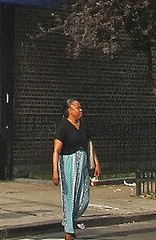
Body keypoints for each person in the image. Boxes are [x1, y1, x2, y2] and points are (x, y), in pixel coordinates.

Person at [54, 97, 100, 239]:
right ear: (69, 110)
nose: (80, 110)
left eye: (80, 108)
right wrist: (55, 171)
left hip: (83, 161)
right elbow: (56, 150)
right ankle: (69, 231)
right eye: (77, 108)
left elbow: (90, 145)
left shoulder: (83, 125)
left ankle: (69, 221)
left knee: (84, 198)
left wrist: (96, 162)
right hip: (69, 161)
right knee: (70, 196)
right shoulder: (63, 126)